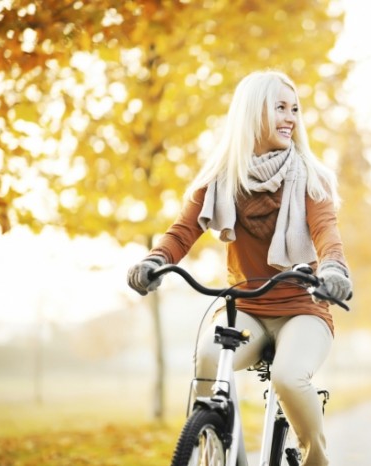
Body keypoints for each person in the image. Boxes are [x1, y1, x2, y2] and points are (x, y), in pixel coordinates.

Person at [127, 69, 352, 466]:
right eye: (279, 108)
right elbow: (181, 232)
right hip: (246, 306)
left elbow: (325, 232)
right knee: (209, 359)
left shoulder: (310, 178)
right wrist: (154, 260)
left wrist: (333, 270)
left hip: (303, 308)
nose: (291, 118)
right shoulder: (219, 180)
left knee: (288, 377)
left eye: (294, 109)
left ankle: (317, 459)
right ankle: (220, 445)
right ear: (252, 114)